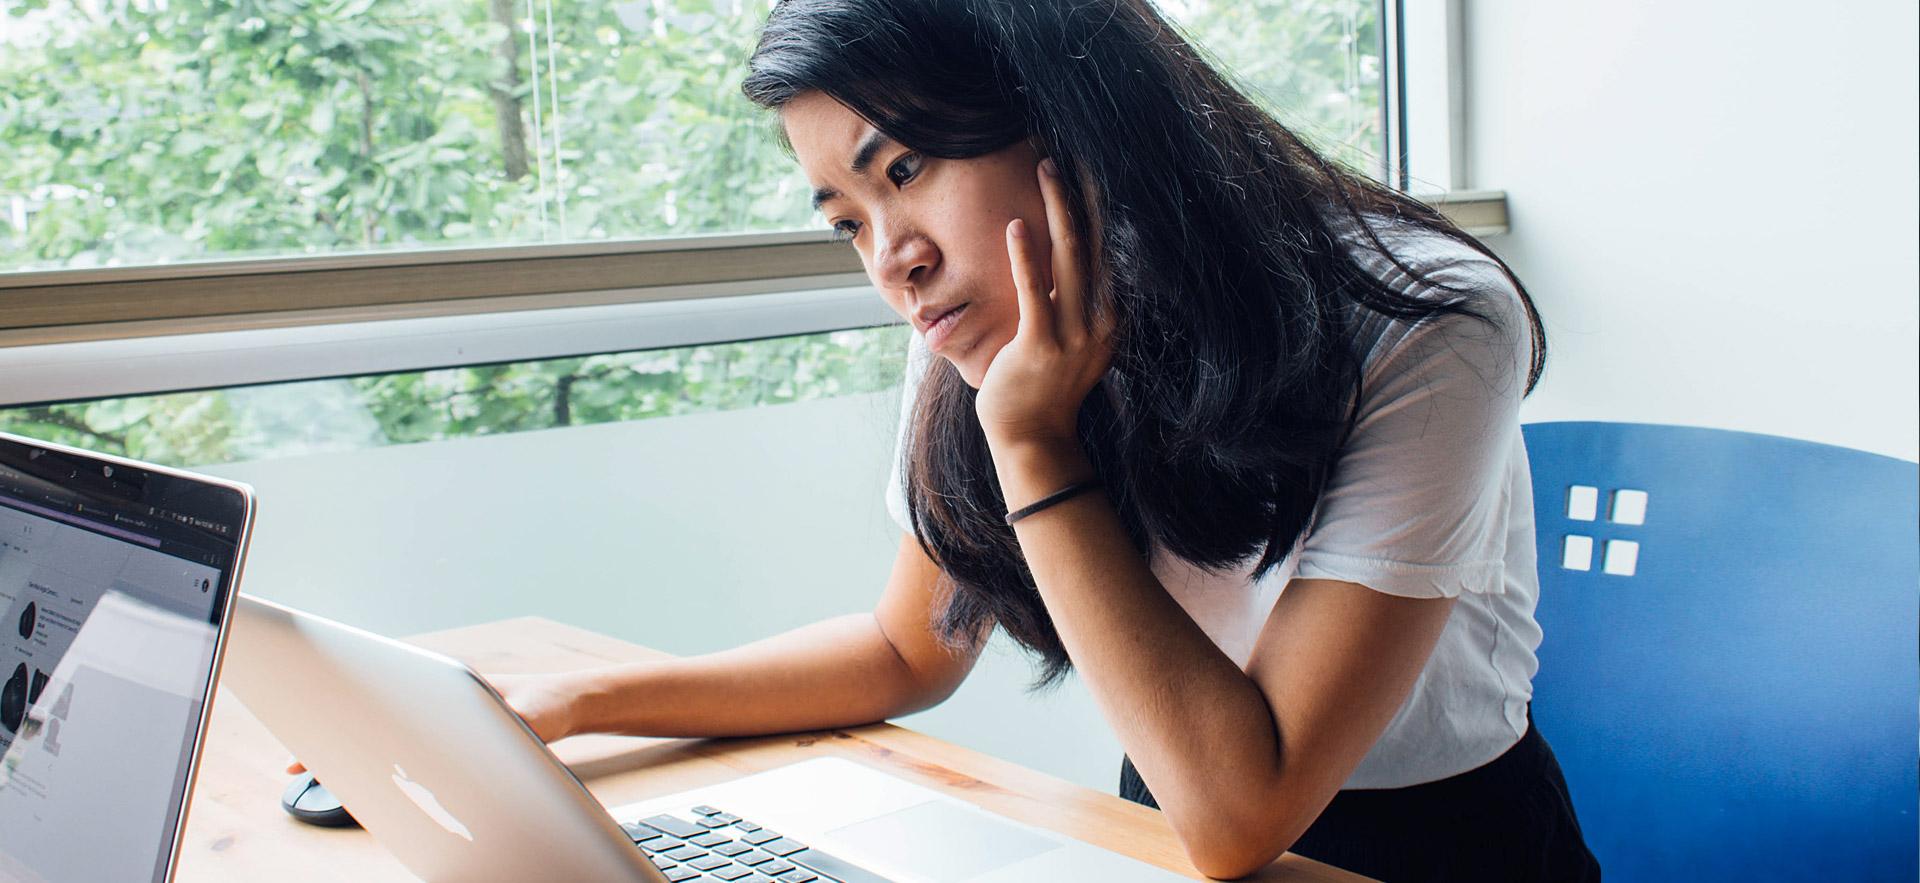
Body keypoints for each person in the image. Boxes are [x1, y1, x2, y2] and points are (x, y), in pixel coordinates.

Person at [299, 1, 1600, 878]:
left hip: (1434, 846)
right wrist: (575, 703)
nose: (894, 262)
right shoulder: (990, 314)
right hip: (1156, 816)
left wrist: (1034, 441)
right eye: (847, 219)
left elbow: (1245, 812)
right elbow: (901, 651)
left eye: (905, 169)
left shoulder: (1421, 317)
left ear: (1067, 122)